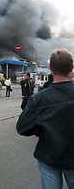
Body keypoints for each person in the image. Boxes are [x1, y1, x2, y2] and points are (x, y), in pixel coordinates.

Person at [16, 48, 74, 189]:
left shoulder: (39, 98)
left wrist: (37, 129)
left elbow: (21, 127)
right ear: (72, 68)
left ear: (50, 68)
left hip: (48, 157)